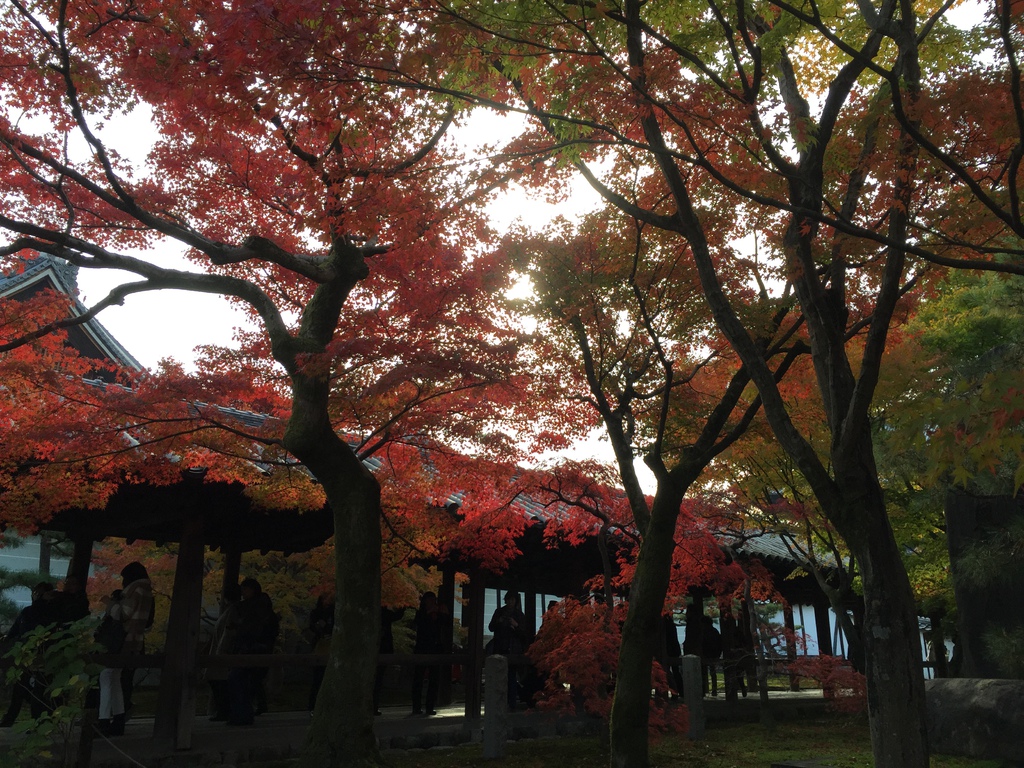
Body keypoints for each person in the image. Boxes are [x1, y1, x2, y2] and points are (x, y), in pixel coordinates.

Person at [98, 562, 153, 736]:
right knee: (115, 678)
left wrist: (109, 603)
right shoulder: (147, 592)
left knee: (106, 676)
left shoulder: (134, 590)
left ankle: (104, 721)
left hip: (120, 640)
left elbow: (123, 614)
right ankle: (118, 721)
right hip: (133, 641)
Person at [1, 582, 59, 727]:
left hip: (40, 653)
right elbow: (15, 631)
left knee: (34, 689)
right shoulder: (28, 611)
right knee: (23, 687)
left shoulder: (47, 611)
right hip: (27, 652)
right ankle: (21, 719)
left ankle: (34, 721)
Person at [226, 578, 278, 725]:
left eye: (246, 589)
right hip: (252, 650)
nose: (243, 592)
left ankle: (241, 715)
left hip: (252, 650)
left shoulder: (255, 611)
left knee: (239, 681)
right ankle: (242, 715)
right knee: (243, 684)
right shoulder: (254, 609)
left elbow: (260, 631)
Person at [207, 583, 242, 721]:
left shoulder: (231, 611)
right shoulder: (232, 610)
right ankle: (223, 711)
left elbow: (228, 633)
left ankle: (223, 711)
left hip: (222, 651)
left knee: (218, 682)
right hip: (221, 650)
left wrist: (221, 651)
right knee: (218, 682)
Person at [488, 591, 528, 709]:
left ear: (515, 601)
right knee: (499, 677)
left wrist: (515, 625)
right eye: (509, 599)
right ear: (506, 600)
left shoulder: (519, 615)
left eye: (513, 600)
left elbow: (523, 635)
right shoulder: (499, 612)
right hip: (500, 647)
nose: (510, 602)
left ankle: (512, 703)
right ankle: (500, 703)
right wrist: (498, 621)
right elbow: (491, 627)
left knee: (511, 676)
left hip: (513, 648)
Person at [411, 591, 446, 716]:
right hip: (422, 648)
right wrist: (428, 613)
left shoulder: (438, 614)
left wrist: (440, 613)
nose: (432, 602)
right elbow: (418, 624)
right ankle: (416, 707)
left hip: (435, 649)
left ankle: (430, 706)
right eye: (430, 600)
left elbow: (444, 623)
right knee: (418, 679)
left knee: (434, 680)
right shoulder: (421, 613)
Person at [374, 605, 405, 715]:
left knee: (377, 679)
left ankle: (373, 705)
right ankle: (373, 705)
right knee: (378, 679)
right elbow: (396, 616)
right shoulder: (384, 613)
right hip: (383, 648)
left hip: (379, 648)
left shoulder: (378, 611)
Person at [307, 593, 334, 712]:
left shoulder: (335, 612)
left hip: (332, 645)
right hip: (320, 644)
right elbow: (312, 627)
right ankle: (313, 705)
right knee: (318, 678)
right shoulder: (316, 613)